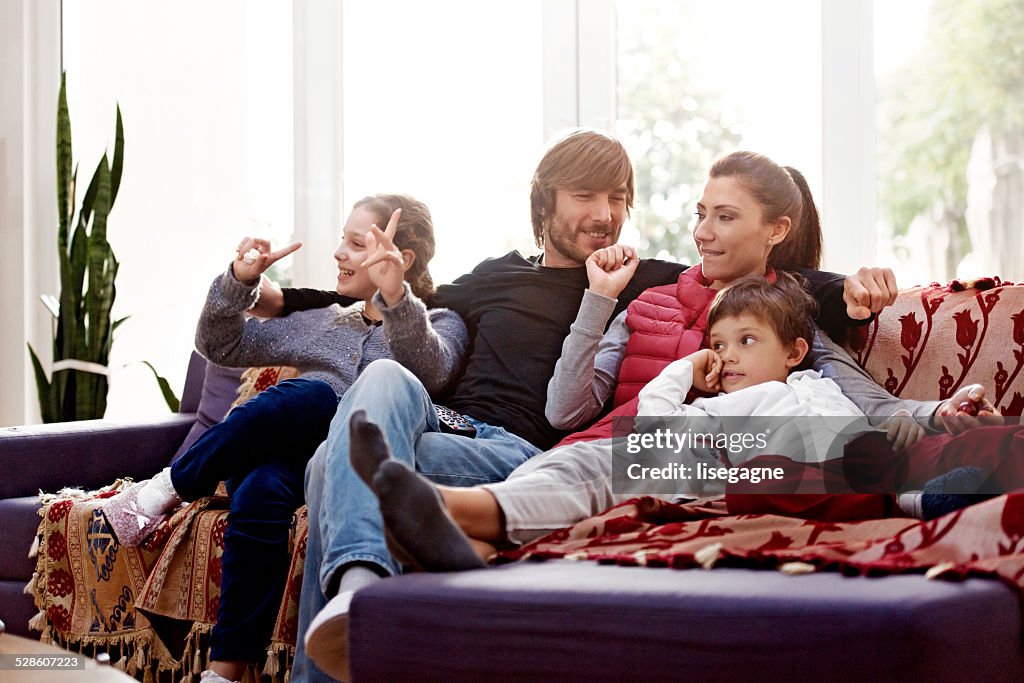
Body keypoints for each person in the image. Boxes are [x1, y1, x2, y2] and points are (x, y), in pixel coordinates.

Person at [277, 142, 899, 682]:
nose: (604, 216)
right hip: (460, 426)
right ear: (545, 202)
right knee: (366, 405)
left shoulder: (648, 278)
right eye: (584, 196)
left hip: (533, 446)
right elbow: (412, 313)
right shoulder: (512, 279)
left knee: (335, 464)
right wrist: (279, 300)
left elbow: (775, 292)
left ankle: (360, 608)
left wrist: (848, 292)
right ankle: (365, 589)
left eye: (618, 198)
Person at [348, 151, 1003, 571]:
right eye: (700, 215)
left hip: (697, 449)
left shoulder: (785, 311)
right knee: (574, 458)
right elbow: (563, 410)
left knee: (609, 459)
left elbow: (863, 398)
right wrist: (597, 303)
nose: (704, 232)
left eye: (724, 217)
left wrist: (940, 410)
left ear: (774, 230)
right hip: (624, 444)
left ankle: (453, 517)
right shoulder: (647, 294)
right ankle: (458, 541)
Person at [100, 194, 467, 683]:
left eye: (355, 244)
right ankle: (225, 673)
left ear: (402, 259)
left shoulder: (440, 322)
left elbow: (432, 369)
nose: (339, 252)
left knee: (311, 400)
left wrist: (397, 301)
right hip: (295, 453)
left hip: (350, 460)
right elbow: (221, 345)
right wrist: (239, 281)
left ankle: (165, 489)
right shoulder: (324, 319)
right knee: (261, 484)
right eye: (342, 238)